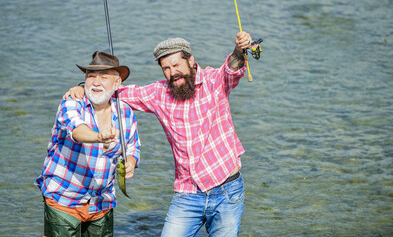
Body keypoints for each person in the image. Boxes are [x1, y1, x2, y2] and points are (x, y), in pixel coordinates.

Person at [64, 31, 253, 236]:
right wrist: (85, 87)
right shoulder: (158, 93)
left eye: (176, 65)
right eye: (166, 68)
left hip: (227, 190)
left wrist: (239, 50)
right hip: (187, 193)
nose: (173, 73)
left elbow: (232, 68)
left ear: (191, 60)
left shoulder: (215, 81)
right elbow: (117, 93)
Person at [36, 51, 141, 237]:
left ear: (117, 83)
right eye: (91, 76)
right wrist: (99, 136)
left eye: (104, 76)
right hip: (64, 199)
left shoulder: (125, 112)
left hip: (102, 203)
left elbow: (132, 147)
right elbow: (77, 131)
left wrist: (131, 162)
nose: (96, 82)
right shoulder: (72, 102)